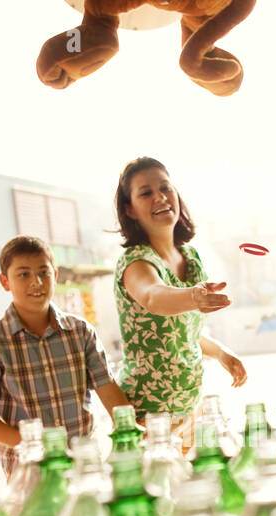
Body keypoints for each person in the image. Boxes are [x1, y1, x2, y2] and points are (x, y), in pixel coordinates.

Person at [0, 235, 132, 477]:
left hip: (85, 468)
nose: (36, 282)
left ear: (55, 275)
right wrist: (30, 444)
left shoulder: (80, 332)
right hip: (30, 474)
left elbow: (109, 390)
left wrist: (128, 434)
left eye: (44, 272)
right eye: (24, 274)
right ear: (4, 281)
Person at [112, 157, 247, 440]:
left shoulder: (190, 256)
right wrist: (194, 296)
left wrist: (221, 353)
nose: (160, 197)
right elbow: (154, 296)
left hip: (191, 410)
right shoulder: (136, 262)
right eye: (145, 192)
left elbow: (182, 333)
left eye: (165, 187)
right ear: (130, 209)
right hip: (148, 421)